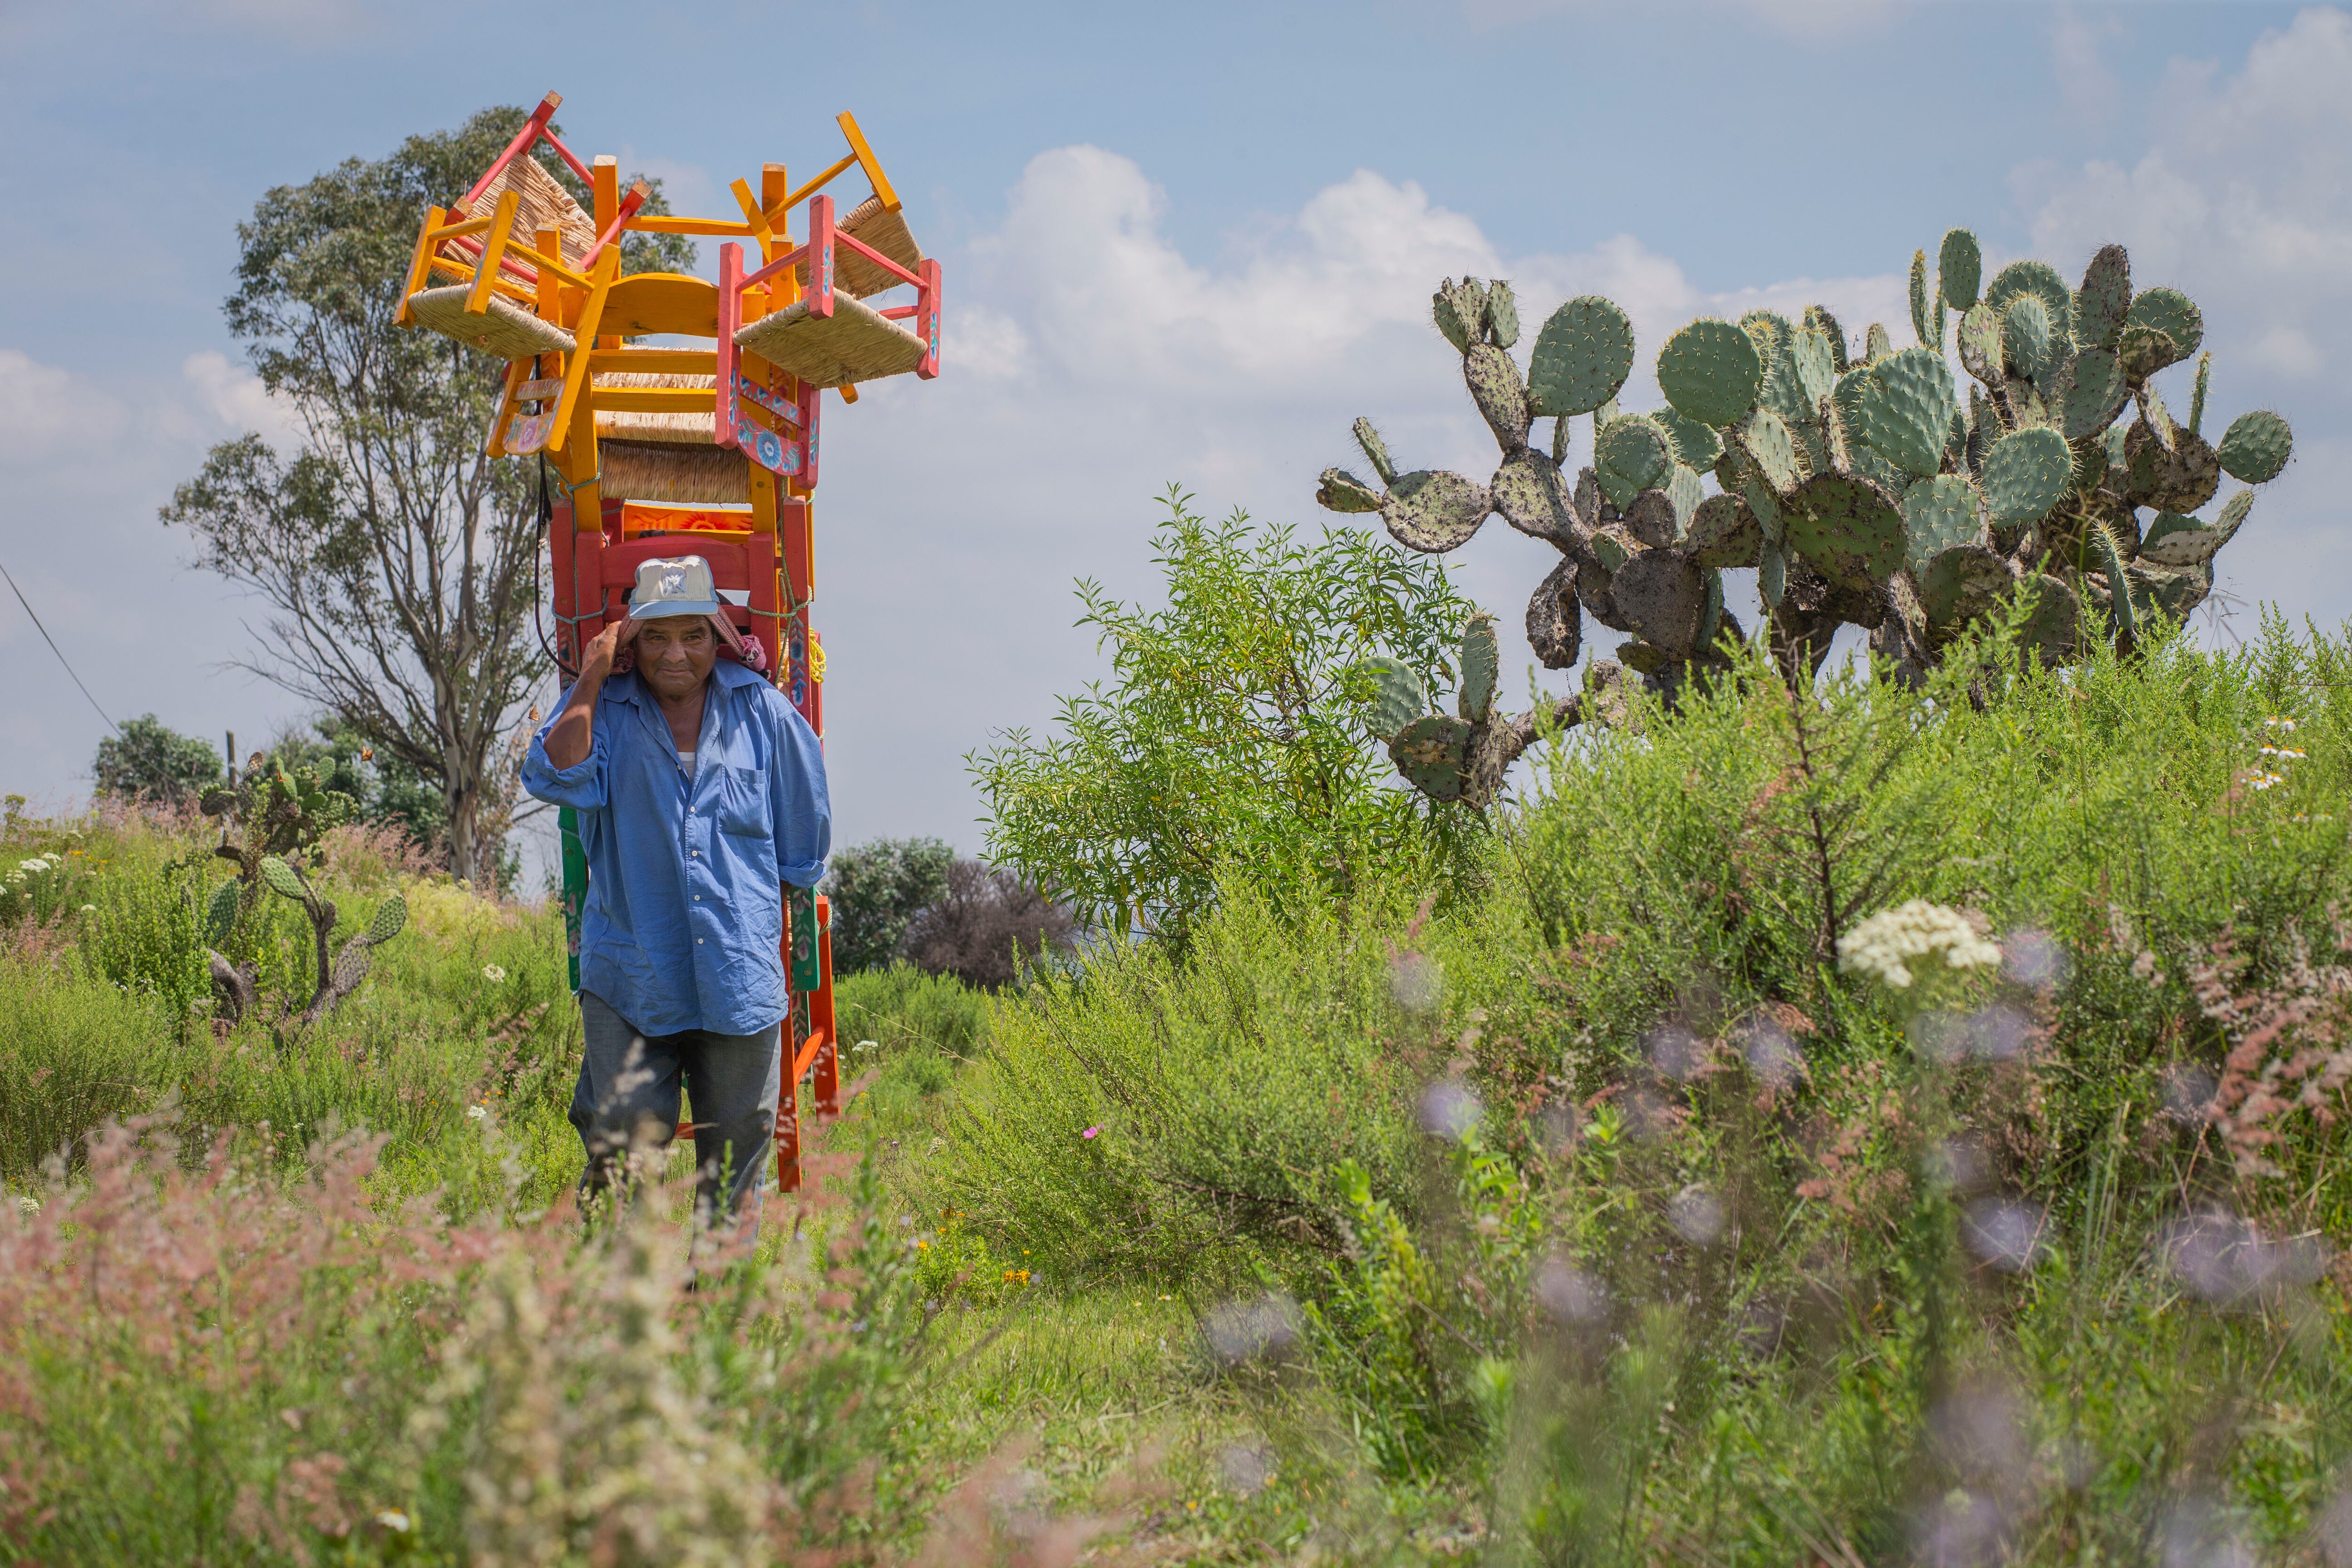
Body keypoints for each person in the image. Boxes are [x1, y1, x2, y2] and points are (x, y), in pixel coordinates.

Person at [521, 555, 828, 1226]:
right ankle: (619, 1293)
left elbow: (805, 842)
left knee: (737, 1151)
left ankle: (714, 1302)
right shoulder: (608, 712)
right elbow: (551, 774)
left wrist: (746, 910)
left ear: (718, 636)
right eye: (656, 635)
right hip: (632, 970)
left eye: (692, 634)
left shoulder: (764, 714)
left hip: (736, 973)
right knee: (627, 1133)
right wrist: (594, 673)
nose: (675, 654)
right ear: (633, 641)